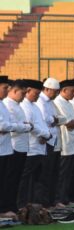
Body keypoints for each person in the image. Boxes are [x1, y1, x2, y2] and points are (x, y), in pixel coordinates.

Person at [18, 79, 51, 209]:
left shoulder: (35, 106)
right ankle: (22, 205)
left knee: (39, 178)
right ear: (28, 91)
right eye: (35, 93)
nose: (37, 96)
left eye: (38, 94)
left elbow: (41, 124)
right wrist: (45, 134)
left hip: (40, 147)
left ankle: (36, 203)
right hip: (31, 147)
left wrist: (47, 134)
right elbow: (30, 126)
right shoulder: (24, 106)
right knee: (26, 179)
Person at [3, 80, 33, 215]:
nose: (24, 96)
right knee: (8, 180)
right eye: (4, 88)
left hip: (15, 146)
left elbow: (11, 124)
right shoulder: (7, 104)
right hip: (12, 146)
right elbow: (5, 126)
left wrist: (21, 125)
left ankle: (12, 206)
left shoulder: (16, 105)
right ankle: (6, 207)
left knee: (15, 179)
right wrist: (24, 126)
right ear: (14, 91)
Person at [35, 77, 65, 207]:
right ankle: (42, 201)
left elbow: (56, 118)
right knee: (43, 174)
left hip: (52, 139)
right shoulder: (40, 101)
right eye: (54, 91)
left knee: (51, 172)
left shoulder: (50, 102)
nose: (56, 94)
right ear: (46, 89)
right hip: (44, 141)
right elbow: (45, 119)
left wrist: (54, 119)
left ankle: (50, 200)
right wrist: (54, 119)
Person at [54, 79, 74, 206]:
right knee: (62, 174)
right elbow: (69, 123)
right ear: (64, 90)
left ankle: (66, 198)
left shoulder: (69, 103)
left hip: (72, 142)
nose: (73, 93)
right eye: (72, 91)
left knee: (70, 173)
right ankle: (59, 199)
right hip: (64, 142)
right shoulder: (58, 102)